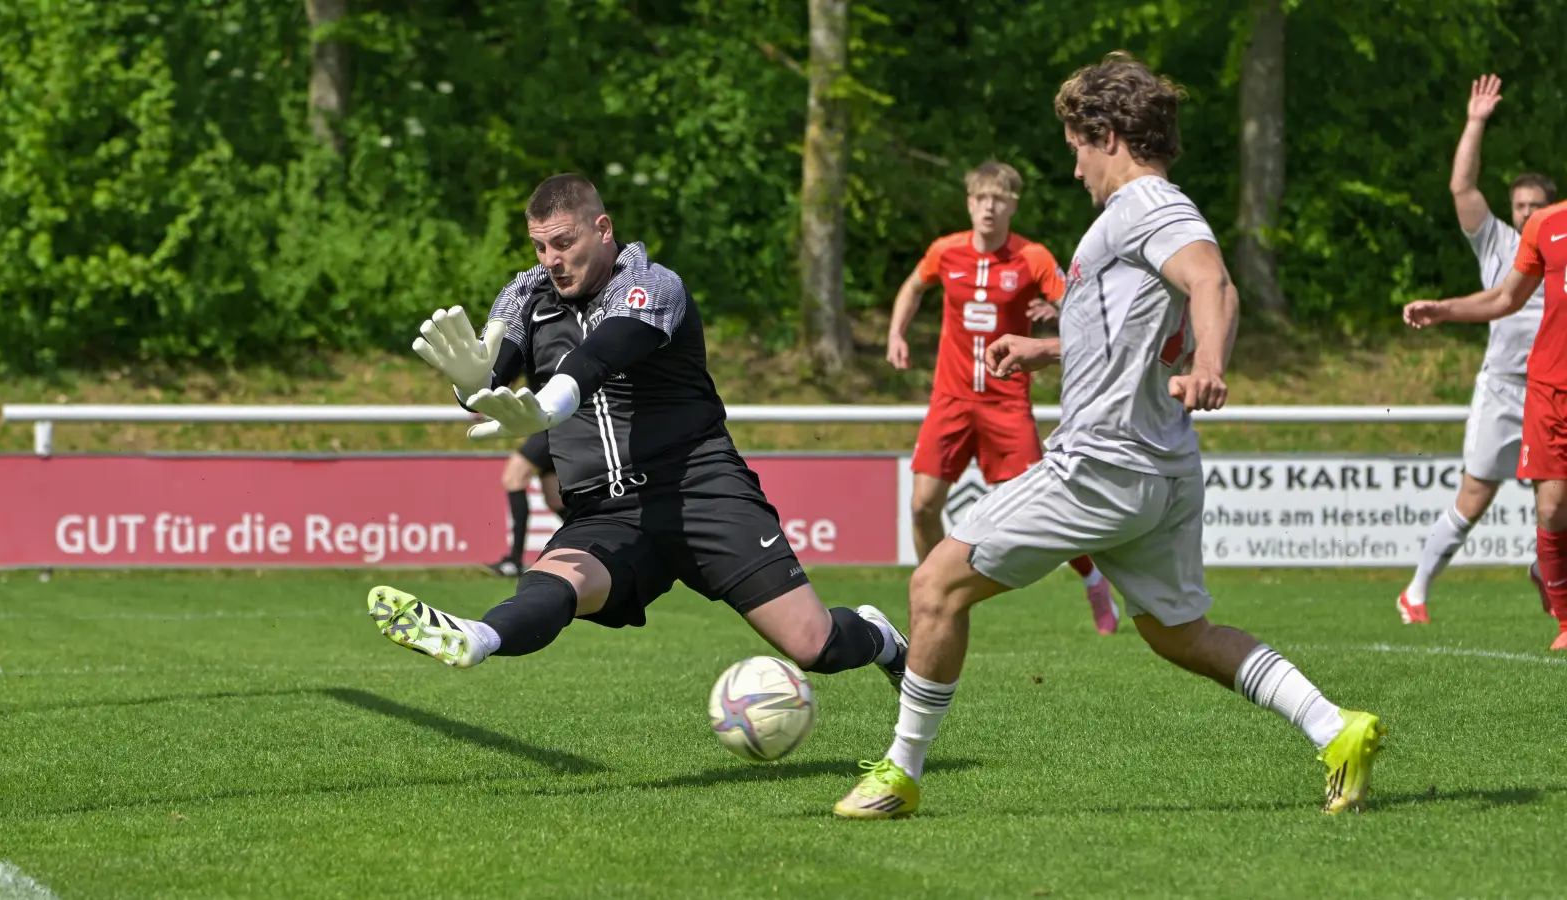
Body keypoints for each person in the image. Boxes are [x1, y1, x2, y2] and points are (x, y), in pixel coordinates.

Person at [834, 52, 1385, 820]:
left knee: (933, 586)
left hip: (1101, 466)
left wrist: (1213, 366)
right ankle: (1337, 728)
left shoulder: (1147, 205)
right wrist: (1047, 348)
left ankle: (899, 774)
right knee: (1181, 636)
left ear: (1109, 133)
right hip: (1159, 472)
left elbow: (1210, 279)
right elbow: (1138, 329)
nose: (1074, 170)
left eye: (1076, 149)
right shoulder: (1131, 221)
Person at [366, 174, 910, 688]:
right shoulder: (523, 297)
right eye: (539, 247)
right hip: (606, 512)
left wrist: (549, 403)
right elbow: (485, 382)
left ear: (602, 230)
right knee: (555, 582)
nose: (551, 261)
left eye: (563, 242)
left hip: (699, 490)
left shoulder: (652, 283)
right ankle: (478, 636)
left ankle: (881, 639)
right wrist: (467, 385)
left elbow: (603, 354)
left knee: (817, 647)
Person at [886, 161, 1119, 635]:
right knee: (921, 506)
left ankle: (1092, 577)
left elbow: (1076, 305)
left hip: (1006, 402)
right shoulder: (945, 251)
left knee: (1049, 506)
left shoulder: (1031, 257)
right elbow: (913, 287)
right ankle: (933, 595)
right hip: (950, 400)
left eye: (999, 199)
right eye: (980, 199)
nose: (988, 207)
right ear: (969, 204)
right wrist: (896, 333)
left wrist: (1053, 309)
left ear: (1013, 205)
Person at [1397, 73, 1552, 625]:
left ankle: (1545, 571)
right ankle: (1415, 591)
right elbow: (1462, 188)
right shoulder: (1500, 244)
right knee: (1475, 497)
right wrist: (1475, 122)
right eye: (1519, 205)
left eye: (1536, 205)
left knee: (1555, 506)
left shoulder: (1559, 246)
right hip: (1504, 391)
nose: (1527, 213)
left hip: (1552, 392)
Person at [1405, 191, 1567, 651]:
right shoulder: (1547, 226)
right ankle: (1565, 623)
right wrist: (1445, 309)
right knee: (1552, 509)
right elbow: (1504, 297)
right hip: (1551, 390)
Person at [482, 429, 567, 578]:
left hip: (552, 427)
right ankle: (597, 544)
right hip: (556, 426)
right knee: (555, 499)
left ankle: (514, 561)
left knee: (514, 477)